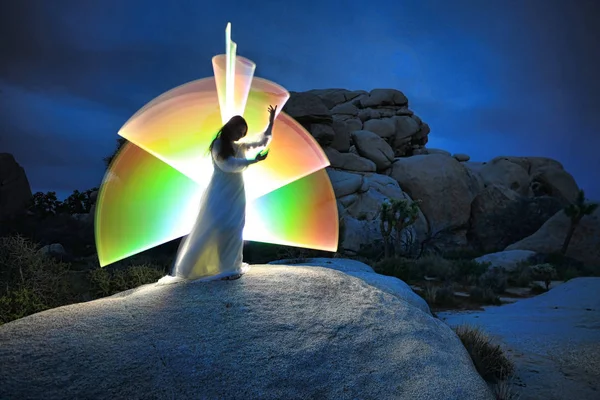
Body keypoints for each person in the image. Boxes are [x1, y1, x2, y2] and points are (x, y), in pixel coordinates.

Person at [169, 105, 277, 281]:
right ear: (230, 127)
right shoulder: (218, 145)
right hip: (220, 192)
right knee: (215, 227)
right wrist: (253, 160)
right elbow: (227, 165)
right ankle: (192, 269)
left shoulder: (239, 146)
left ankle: (230, 267)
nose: (240, 135)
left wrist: (271, 121)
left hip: (237, 193)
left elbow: (262, 141)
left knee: (235, 227)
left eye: (243, 133)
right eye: (239, 131)